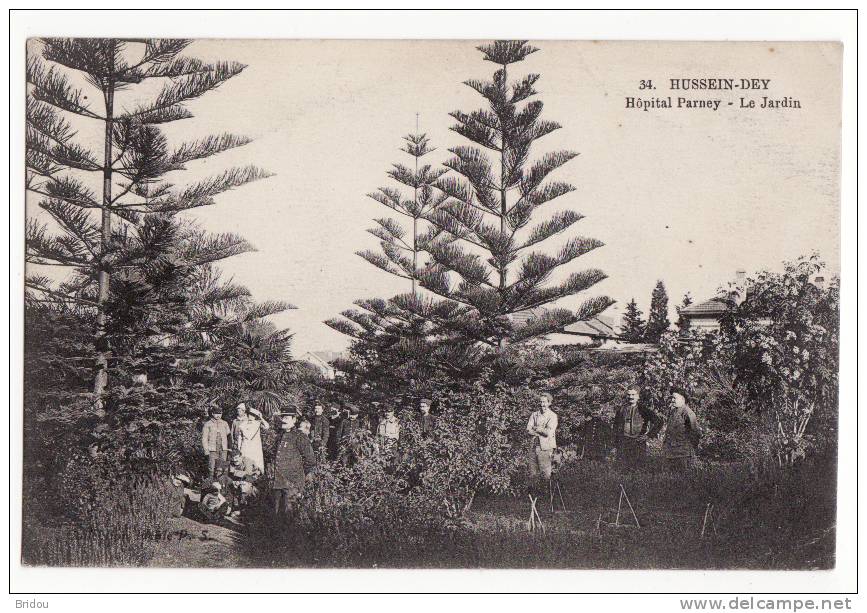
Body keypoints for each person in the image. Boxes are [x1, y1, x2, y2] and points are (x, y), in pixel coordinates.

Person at [271, 413, 316, 518]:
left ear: (294, 420)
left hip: (292, 482)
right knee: (277, 514)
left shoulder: (300, 437)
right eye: (282, 417)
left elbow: (310, 460)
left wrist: (297, 474)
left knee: (289, 514)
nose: (283, 420)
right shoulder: (280, 436)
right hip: (279, 481)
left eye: (286, 418)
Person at [613, 388, 662, 469]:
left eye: (633, 395)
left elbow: (659, 422)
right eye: (629, 394)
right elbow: (615, 426)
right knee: (622, 470)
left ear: (638, 396)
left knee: (638, 469)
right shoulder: (621, 409)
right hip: (623, 443)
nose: (631, 397)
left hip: (638, 443)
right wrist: (616, 442)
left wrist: (648, 435)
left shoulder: (643, 409)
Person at [663, 387, 702, 470]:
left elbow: (696, 432)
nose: (672, 400)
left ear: (683, 399)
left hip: (684, 454)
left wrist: (690, 448)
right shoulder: (673, 412)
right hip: (671, 453)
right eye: (672, 398)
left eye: (675, 398)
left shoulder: (688, 413)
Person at [527, 391, 558, 492]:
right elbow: (528, 430)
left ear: (549, 403)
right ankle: (534, 495)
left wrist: (536, 428)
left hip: (545, 447)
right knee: (533, 473)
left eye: (544, 402)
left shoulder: (552, 416)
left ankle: (545, 495)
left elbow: (548, 432)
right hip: (533, 447)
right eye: (540, 402)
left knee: (545, 473)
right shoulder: (534, 415)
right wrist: (540, 430)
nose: (542, 404)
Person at [232, 403, 269, 473]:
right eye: (250, 415)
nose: (251, 417)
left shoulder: (258, 423)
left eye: (253, 415)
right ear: (248, 415)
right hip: (245, 446)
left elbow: (267, 427)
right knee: (245, 462)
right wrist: (239, 448)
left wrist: (261, 418)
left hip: (255, 447)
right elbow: (240, 437)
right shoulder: (243, 424)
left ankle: (256, 479)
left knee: (256, 462)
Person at [201, 406, 231, 478]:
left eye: (220, 413)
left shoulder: (225, 423)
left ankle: (221, 483)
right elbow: (204, 438)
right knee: (211, 466)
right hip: (212, 448)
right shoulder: (208, 424)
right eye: (216, 413)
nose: (218, 415)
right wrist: (206, 449)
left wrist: (228, 448)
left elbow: (228, 435)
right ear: (212, 414)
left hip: (223, 448)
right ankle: (210, 483)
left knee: (222, 466)